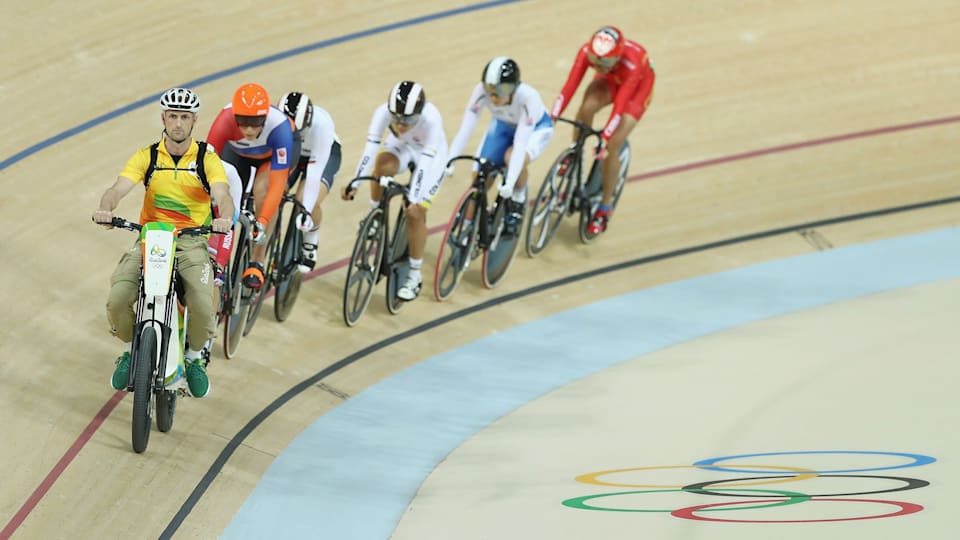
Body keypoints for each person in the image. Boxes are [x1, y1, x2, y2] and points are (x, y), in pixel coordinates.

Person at [92, 87, 234, 398]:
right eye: (173, 116)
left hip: (189, 242)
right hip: (151, 239)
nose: (179, 123)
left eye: (185, 117)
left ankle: (195, 359)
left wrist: (224, 217)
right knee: (118, 297)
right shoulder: (148, 156)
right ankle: (131, 351)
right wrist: (107, 207)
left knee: (201, 302)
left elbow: (222, 194)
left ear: (194, 120)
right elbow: (118, 188)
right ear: (163, 118)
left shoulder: (206, 159)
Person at [340, 80, 448, 301]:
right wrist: (355, 183)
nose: (400, 124)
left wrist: (416, 200)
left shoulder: (432, 119)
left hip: (432, 155)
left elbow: (425, 165)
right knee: (383, 166)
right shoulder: (383, 113)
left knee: (414, 214)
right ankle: (376, 215)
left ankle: (415, 275)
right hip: (405, 147)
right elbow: (371, 148)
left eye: (407, 120)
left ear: (418, 113)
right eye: (396, 118)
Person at [551, 25, 655, 235]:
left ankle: (605, 208)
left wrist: (605, 138)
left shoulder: (633, 63)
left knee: (613, 144)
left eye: (606, 62)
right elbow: (569, 87)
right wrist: (552, 115)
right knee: (587, 108)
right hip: (611, 81)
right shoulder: (591, 56)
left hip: (636, 90)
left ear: (616, 57)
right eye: (596, 61)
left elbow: (619, 107)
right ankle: (575, 152)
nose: (599, 66)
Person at [447, 56, 554, 234]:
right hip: (503, 126)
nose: (494, 96)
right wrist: (450, 160)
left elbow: (520, 143)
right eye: (490, 90)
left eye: (501, 90)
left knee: (511, 158)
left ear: (514, 88)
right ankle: (467, 230)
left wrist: (510, 183)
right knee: (480, 177)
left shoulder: (529, 98)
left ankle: (518, 200)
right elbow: (466, 128)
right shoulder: (480, 91)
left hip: (535, 129)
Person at [206, 82, 296, 289]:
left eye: (254, 122)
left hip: (270, 157)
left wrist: (262, 220)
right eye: (243, 121)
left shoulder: (279, 126)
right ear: (235, 117)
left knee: (264, 191)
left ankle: (257, 260)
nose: (248, 129)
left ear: (265, 117)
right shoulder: (225, 119)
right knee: (220, 192)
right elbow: (207, 165)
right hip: (238, 154)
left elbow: (277, 184)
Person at [277, 91, 342, 272]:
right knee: (274, 191)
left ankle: (310, 242)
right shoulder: (274, 117)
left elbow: (315, 171)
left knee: (305, 199)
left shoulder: (322, 123)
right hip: (293, 152)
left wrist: (305, 206)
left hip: (322, 156)